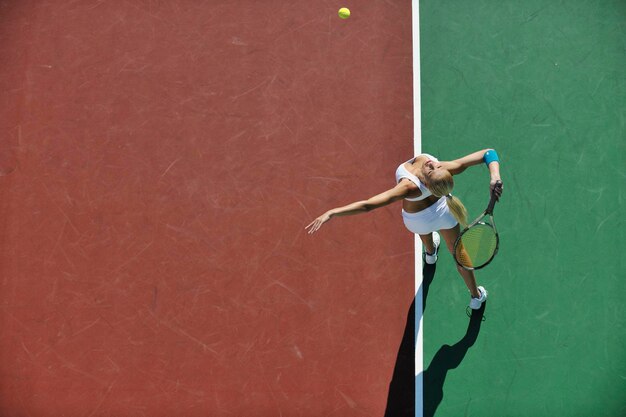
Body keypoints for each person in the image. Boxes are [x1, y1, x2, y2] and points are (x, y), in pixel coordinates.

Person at [305, 149, 503, 310]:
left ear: (427, 183)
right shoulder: (444, 169)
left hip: (419, 220)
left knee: (434, 242)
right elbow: (489, 154)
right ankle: (476, 297)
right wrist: (494, 176)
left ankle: (431, 253)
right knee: (458, 253)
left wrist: (333, 212)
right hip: (446, 214)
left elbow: (368, 205)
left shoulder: (409, 187)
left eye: (433, 168)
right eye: (435, 165)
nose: (434, 163)